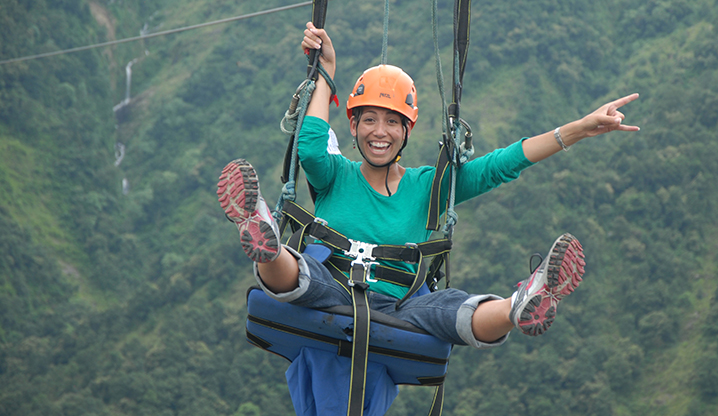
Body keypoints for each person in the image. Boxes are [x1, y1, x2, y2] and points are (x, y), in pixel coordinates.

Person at [217, 22, 639, 347]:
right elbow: (308, 147)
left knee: (450, 308)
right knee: (302, 273)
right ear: (353, 125)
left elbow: (501, 164)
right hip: (330, 289)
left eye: (391, 122)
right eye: (368, 120)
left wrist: (580, 129)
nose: (379, 132)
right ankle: (263, 234)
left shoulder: (429, 188)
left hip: (401, 306)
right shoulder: (334, 174)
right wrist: (326, 69)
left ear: (407, 130)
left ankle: (521, 304)